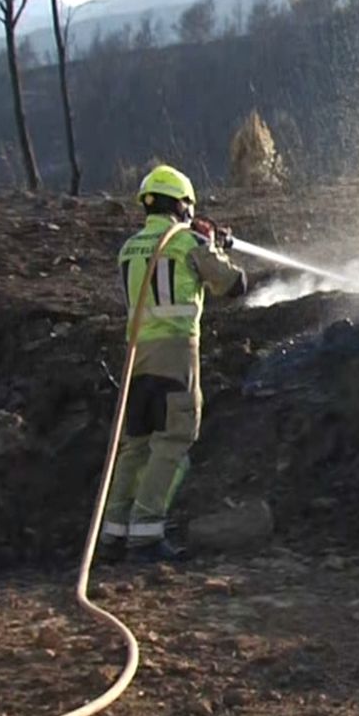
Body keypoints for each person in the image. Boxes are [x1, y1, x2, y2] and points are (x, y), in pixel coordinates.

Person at [99, 165, 248, 562]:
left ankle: (112, 535)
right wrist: (211, 245)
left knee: (135, 445)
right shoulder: (186, 244)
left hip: (136, 355)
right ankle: (146, 535)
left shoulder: (128, 247)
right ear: (183, 205)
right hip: (175, 354)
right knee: (172, 442)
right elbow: (234, 285)